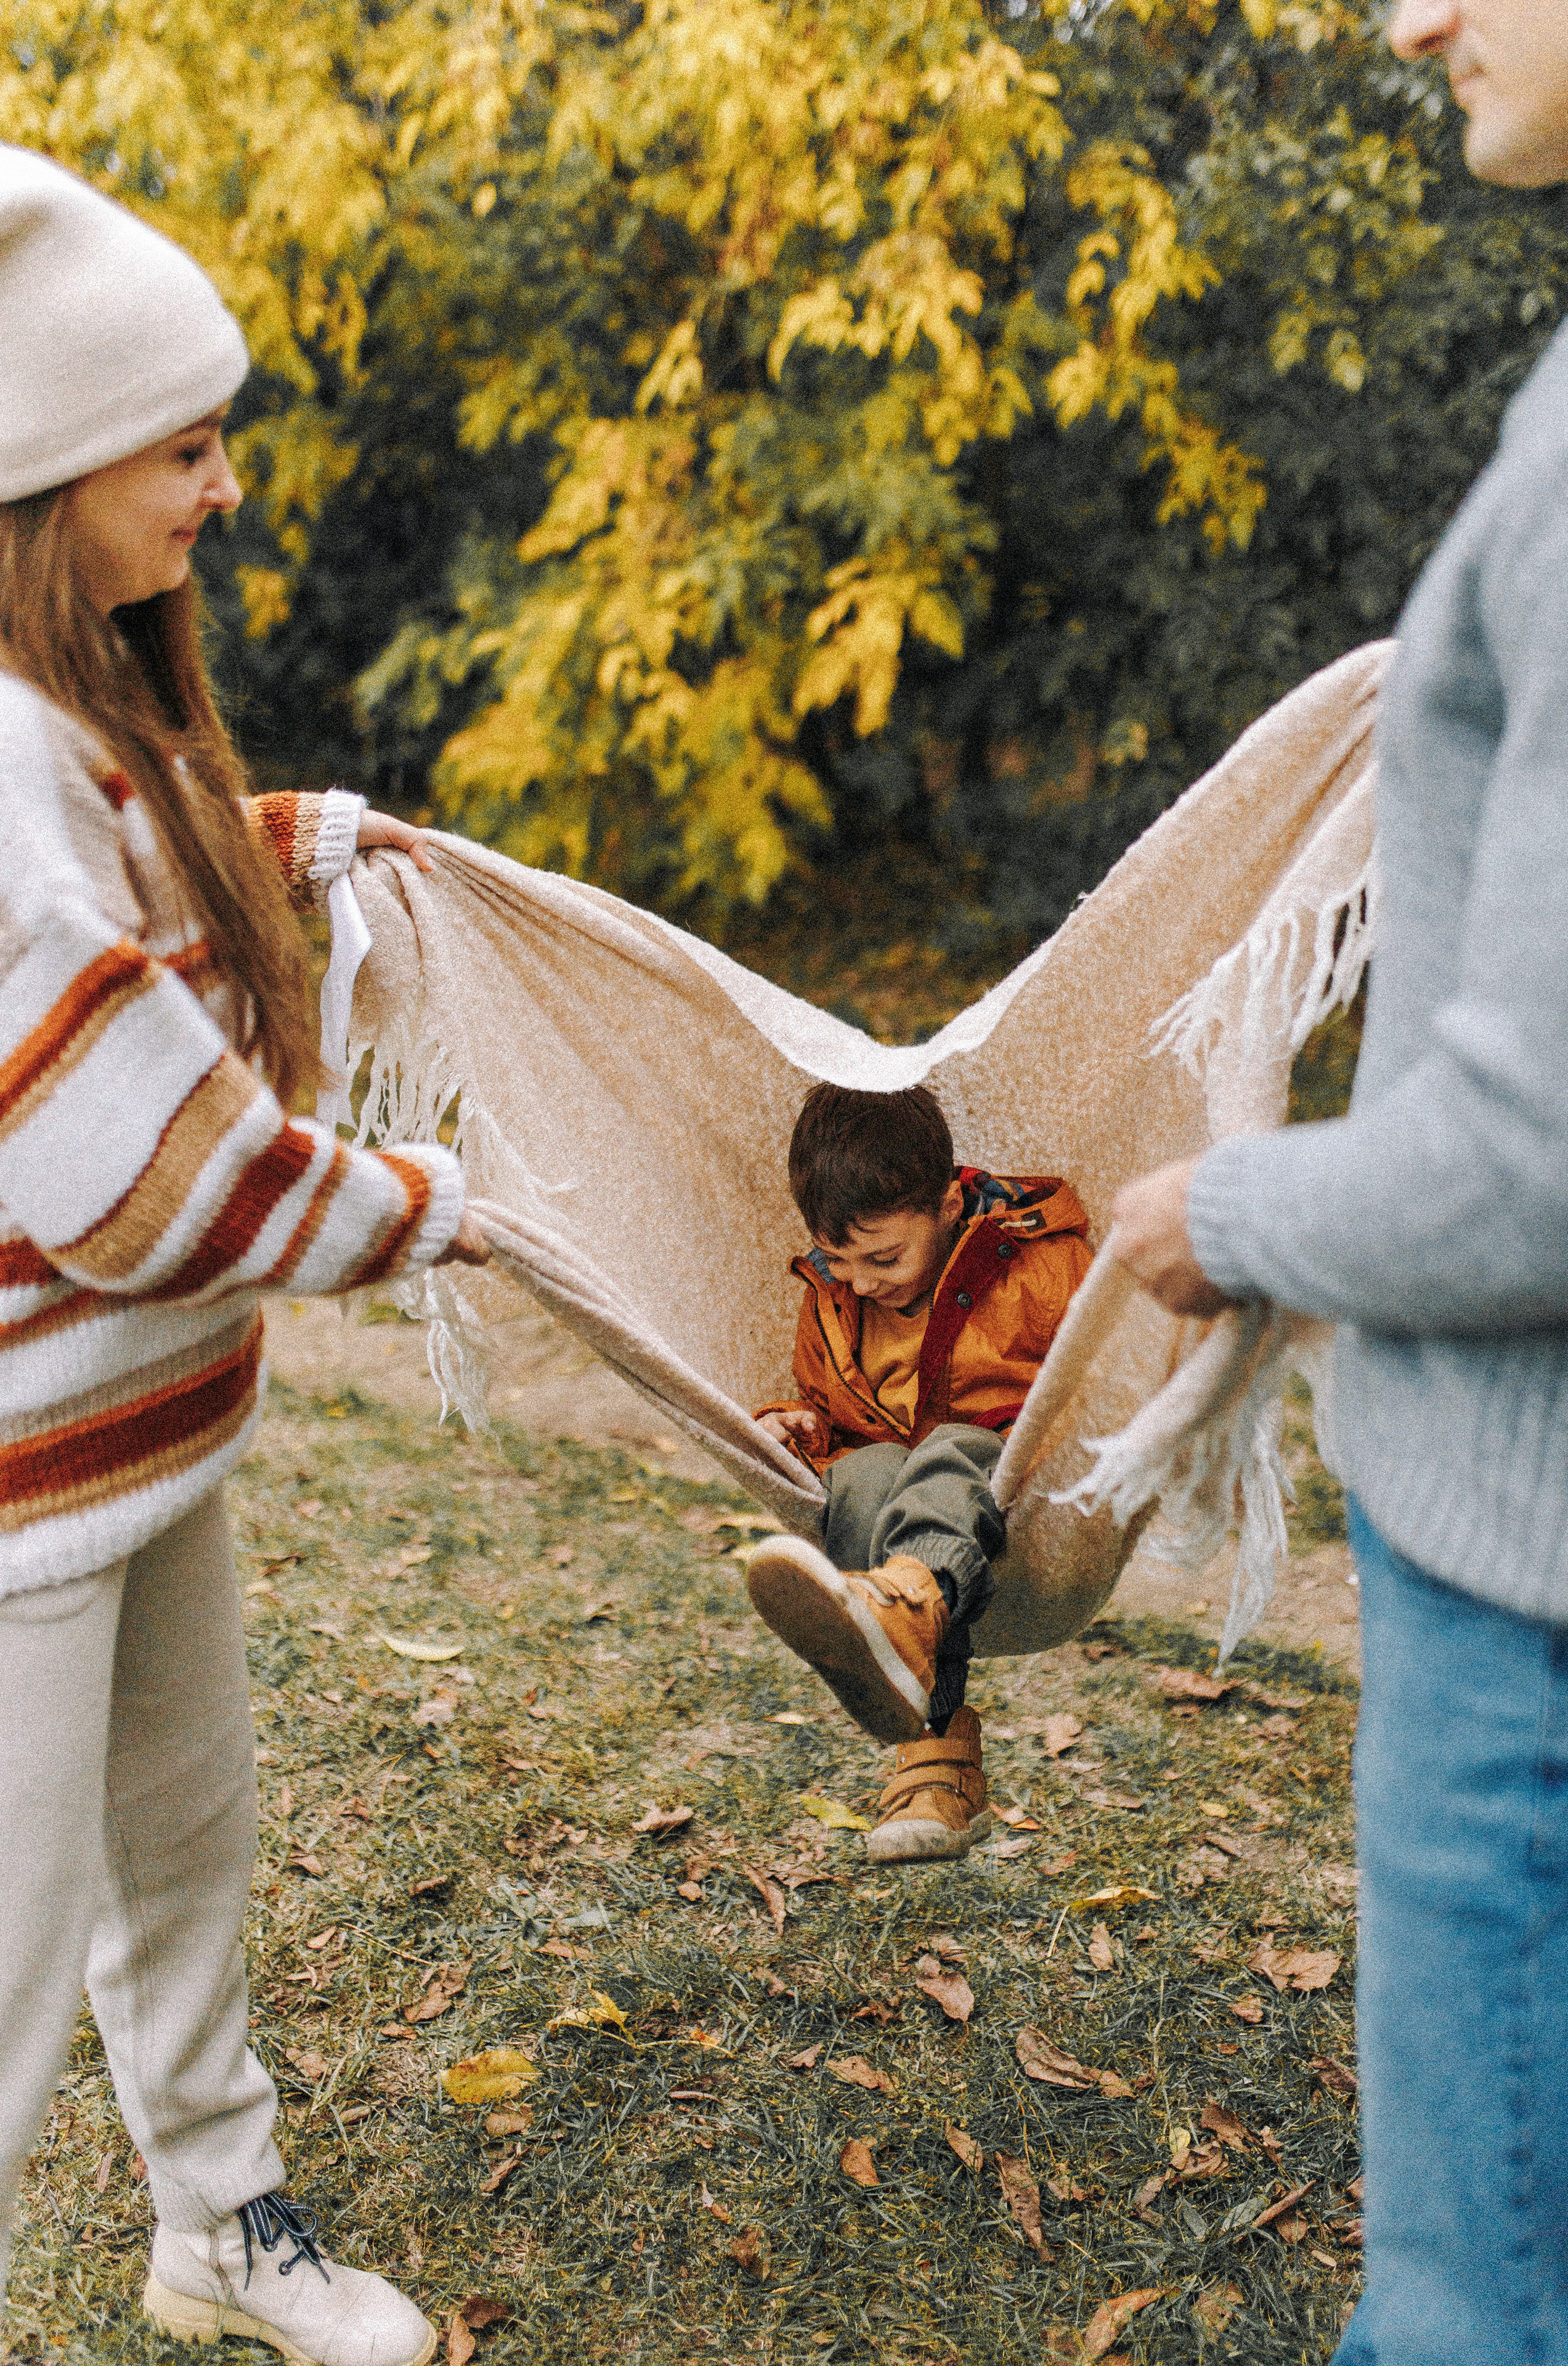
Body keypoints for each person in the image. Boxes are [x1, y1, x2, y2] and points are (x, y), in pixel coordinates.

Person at [0, 144, 488, 2366]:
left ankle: (215, 2224)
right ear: (52, 467)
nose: (221, 490)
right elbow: (147, 1171)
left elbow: (136, 911)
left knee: (184, 1855)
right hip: (17, 1502)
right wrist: (425, 1214)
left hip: (136, 1447)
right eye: (184, 447)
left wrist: (290, 846)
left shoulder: (80, 718)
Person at [1110, 5, 1568, 2358]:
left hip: (1521, 1576)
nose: (1412, 20)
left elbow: (1538, 1156)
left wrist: (1234, 1215)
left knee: (1468, 2293)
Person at [742, 1083, 1091, 1862]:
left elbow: (1101, 1376)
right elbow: (829, 1405)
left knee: (949, 1450)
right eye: (838, 1258)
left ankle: (910, 1625)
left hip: (1010, 1491)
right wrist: (796, 1424)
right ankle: (934, 1756)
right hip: (896, 1513)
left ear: (944, 1203)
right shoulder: (835, 1295)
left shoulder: (1035, 1260)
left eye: (883, 1257)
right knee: (864, 1475)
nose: (860, 1281)